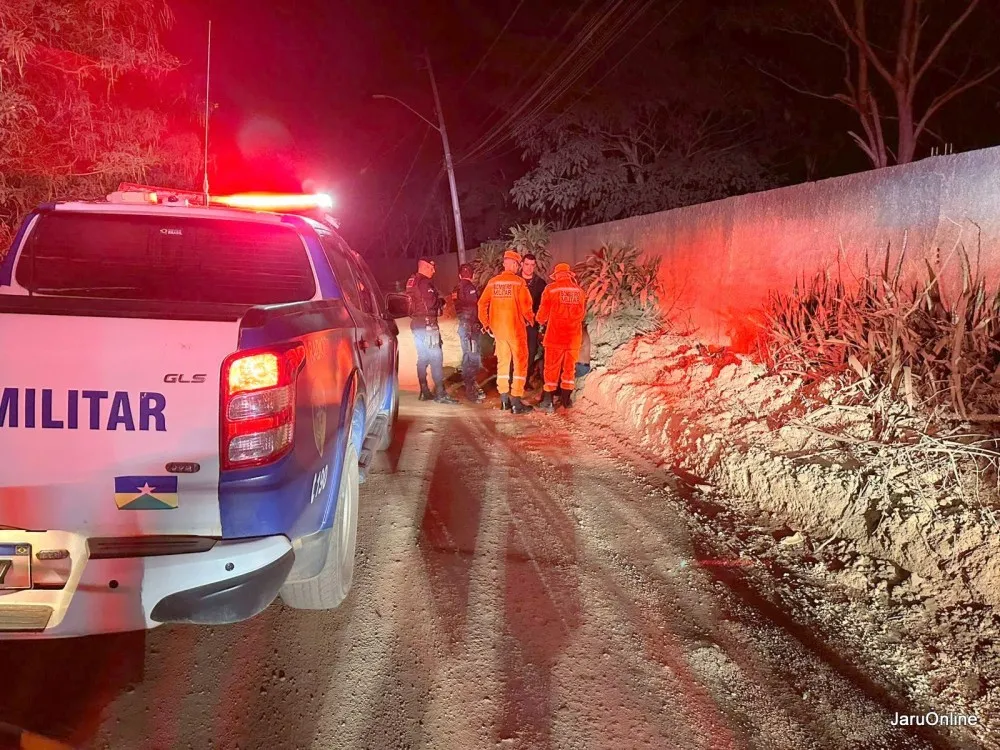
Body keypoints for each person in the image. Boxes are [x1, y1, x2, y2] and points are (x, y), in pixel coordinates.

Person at [478, 249, 536, 414]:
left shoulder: (493, 282)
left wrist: (487, 324)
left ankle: (504, 401)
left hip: (499, 332)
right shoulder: (519, 283)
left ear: (504, 263)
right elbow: (526, 307)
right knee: (520, 364)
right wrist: (531, 320)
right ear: (516, 265)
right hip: (516, 331)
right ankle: (516, 401)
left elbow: (482, 304)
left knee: (503, 364)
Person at [535, 262, 588, 412]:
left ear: (557, 276)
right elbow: (582, 314)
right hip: (573, 339)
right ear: (569, 275)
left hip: (555, 337)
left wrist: (539, 320)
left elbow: (542, 315)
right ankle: (566, 401)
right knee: (569, 370)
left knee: (551, 369)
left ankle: (548, 402)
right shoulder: (579, 291)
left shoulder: (551, 289)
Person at [406, 257, 457, 404]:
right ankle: (440, 394)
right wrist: (441, 301)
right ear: (425, 267)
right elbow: (430, 303)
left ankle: (424, 391)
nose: (434, 271)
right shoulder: (424, 282)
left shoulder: (412, 281)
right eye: (432, 268)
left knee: (422, 357)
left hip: (417, 324)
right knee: (436, 358)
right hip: (428, 325)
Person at [453, 263, 486, 402]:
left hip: (462, 326)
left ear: (459, 275)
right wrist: (480, 323)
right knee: (474, 360)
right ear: (472, 275)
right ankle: (471, 391)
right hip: (471, 328)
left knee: (467, 357)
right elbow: (474, 307)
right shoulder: (470, 288)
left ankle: (468, 386)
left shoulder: (456, 289)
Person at [519, 253, 547, 388]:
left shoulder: (540, 283)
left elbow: (545, 304)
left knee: (531, 352)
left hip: (532, 324)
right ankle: (514, 381)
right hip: (516, 323)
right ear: (521, 265)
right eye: (527, 264)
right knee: (516, 353)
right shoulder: (516, 281)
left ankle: (525, 381)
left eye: (532, 265)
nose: (529, 268)